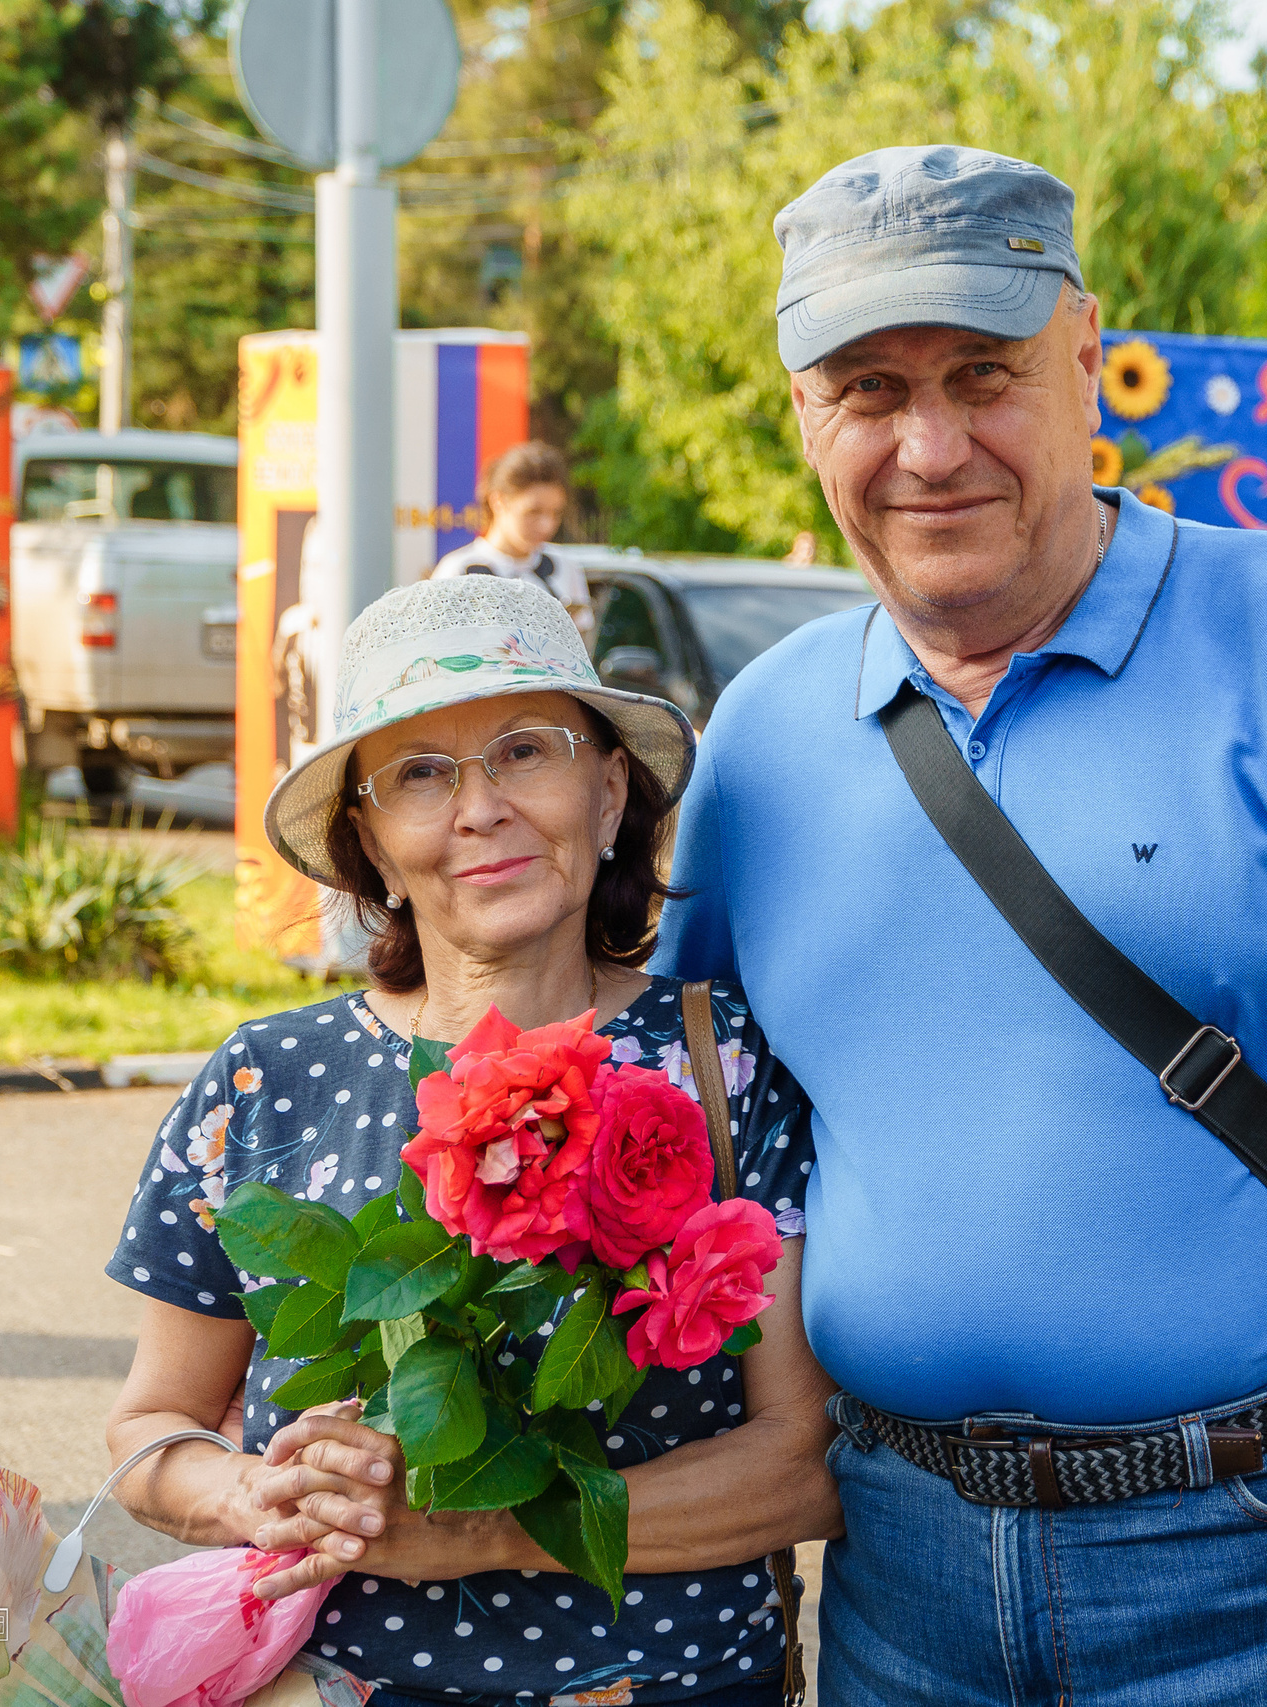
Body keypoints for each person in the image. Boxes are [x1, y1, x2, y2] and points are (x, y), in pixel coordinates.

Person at [655, 145, 1267, 1706]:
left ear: (1090, 356)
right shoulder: (760, 738)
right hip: (903, 1578)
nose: (931, 445)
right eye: (869, 391)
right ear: (802, 417)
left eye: (985, 374)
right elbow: (698, 1129)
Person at [100, 574, 838, 1704]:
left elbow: (806, 1464)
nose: (478, 808)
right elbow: (153, 1428)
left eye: (525, 751)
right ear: (373, 849)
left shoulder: (725, 1064)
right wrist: (254, 1494)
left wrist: (489, 1532)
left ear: (608, 794)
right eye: (420, 776)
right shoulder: (264, 1082)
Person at [430, 440, 597, 646]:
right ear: (498, 501)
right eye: (533, 512)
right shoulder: (457, 570)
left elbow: (580, 652)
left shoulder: (564, 566)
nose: (546, 526)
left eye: (555, 513)